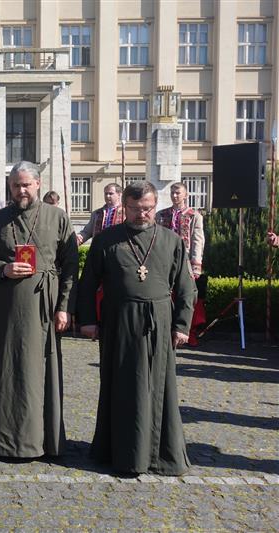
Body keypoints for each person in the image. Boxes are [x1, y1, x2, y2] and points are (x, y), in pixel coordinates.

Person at [76, 180, 194, 476]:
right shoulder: (106, 240)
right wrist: (88, 320)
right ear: (124, 207)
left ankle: (159, 454)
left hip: (159, 322)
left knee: (159, 387)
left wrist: (182, 325)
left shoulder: (171, 240)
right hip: (119, 321)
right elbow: (88, 282)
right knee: (121, 385)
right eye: (136, 209)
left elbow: (185, 288)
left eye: (149, 208)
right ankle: (118, 452)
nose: (143, 214)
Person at [0, 161, 79, 459]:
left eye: (26, 185)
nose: (21, 190)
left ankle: (42, 441)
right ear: (9, 187)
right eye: (15, 186)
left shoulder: (57, 218)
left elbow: (70, 266)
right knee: (6, 371)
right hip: (8, 305)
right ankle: (3, 441)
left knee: (41, 372)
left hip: (43, 306)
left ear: (38, 184)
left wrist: (64, 308)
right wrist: (3, 268)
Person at [156, 182, 206, 346]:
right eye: (172, 192)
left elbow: (198, 241)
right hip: (164, 261)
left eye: (178, 193)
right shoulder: (161, 214)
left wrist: (196, 265)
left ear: (186, 195)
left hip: (184, 261)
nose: (174, 195)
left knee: (185, 295)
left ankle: (185, 330)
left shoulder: (194, 216)